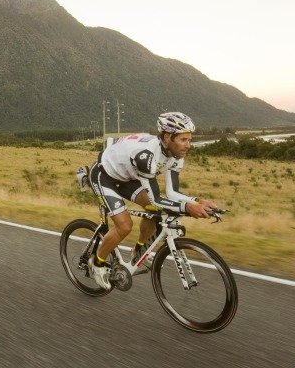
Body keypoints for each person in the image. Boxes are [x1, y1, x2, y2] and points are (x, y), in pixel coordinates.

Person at [87, 112, 218, 290]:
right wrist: (187, 208)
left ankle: (139, 250)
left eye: (189, 139)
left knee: (154, 211)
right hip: (104, 175)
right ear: (167, 137)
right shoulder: (147, 156)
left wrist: (197, 201)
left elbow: (172, 193)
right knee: (124, 225)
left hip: (129, 177)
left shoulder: (175, 155)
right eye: (183, 139)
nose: (188, 145)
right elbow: (157, 199)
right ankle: (97, 262)